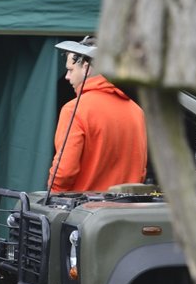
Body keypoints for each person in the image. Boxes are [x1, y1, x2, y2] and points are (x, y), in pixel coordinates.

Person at [47, 36, 147, 193]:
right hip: (126, 212)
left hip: (84, 213)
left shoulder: (74, 109)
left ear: (86, 68)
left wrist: (52, 196)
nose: (66, 77)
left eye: (70, 70)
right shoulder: (137, 111)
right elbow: (141, 172)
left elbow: (65, 170)